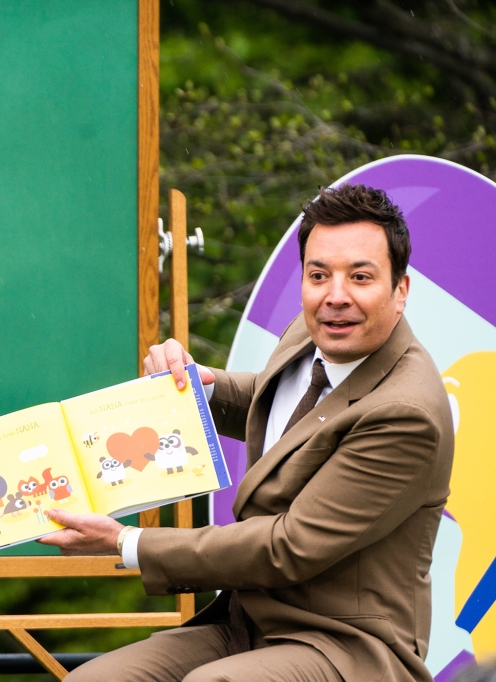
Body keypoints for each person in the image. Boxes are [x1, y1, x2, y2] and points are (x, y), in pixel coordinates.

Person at [40, 184, 454, 682]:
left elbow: (288, 547)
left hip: (345, 644)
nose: (335, 296)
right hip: (248, 620)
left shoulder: (406, 414)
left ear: (400, 289)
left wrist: (129, 542)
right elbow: (285, 402)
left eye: (361, 277)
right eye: (318, 275)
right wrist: (195, 389)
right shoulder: (311, 331)